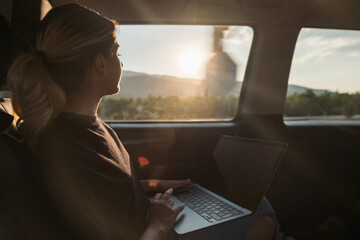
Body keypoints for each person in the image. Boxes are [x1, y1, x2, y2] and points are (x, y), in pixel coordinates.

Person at [7, 3, 280, 240]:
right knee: (265, 219)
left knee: (248, 203)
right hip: (156, 232)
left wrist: (148, 187)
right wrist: (159, 224)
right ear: (101, 64)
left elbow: (107, 194)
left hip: (152, 219)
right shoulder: (64, 147)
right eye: (118, 52)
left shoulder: (86, 126)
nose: (121, 62)